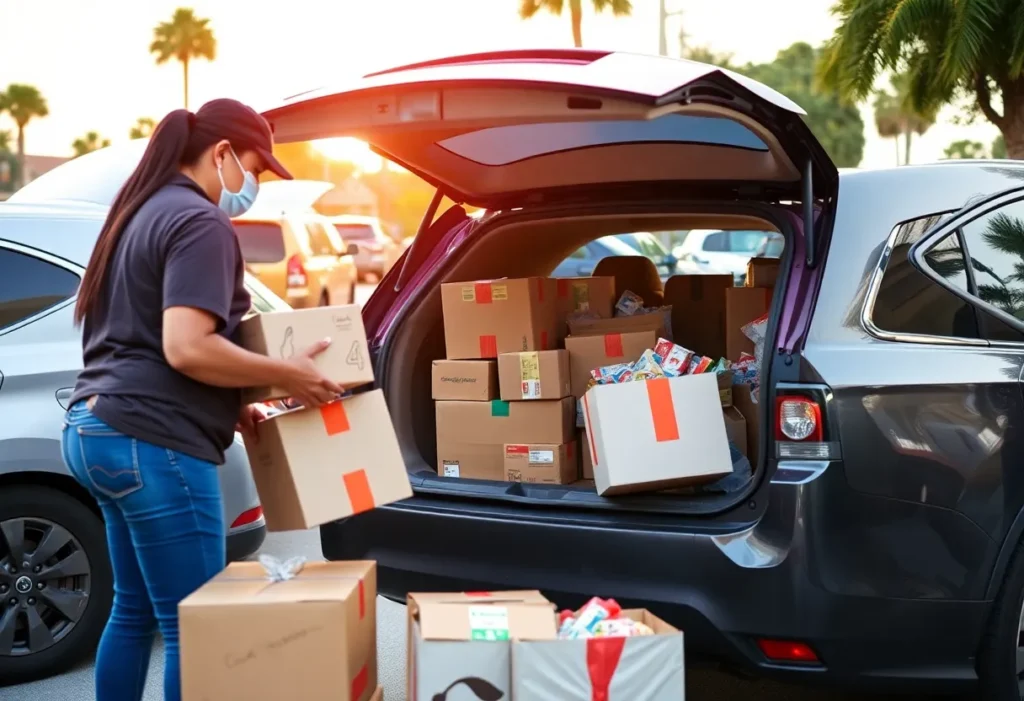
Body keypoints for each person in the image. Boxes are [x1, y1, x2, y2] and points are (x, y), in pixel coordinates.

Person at [61, 99, 343, 701]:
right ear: (220, 155)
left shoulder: (136, 213)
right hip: (152, 442)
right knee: (201, 627)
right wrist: (286, 374)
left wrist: (232, 403)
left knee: (134, 611)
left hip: (96, 428)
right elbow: (187, 347)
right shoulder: (200, 221)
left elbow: (139, 343)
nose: (255, 187)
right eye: (255, 169)